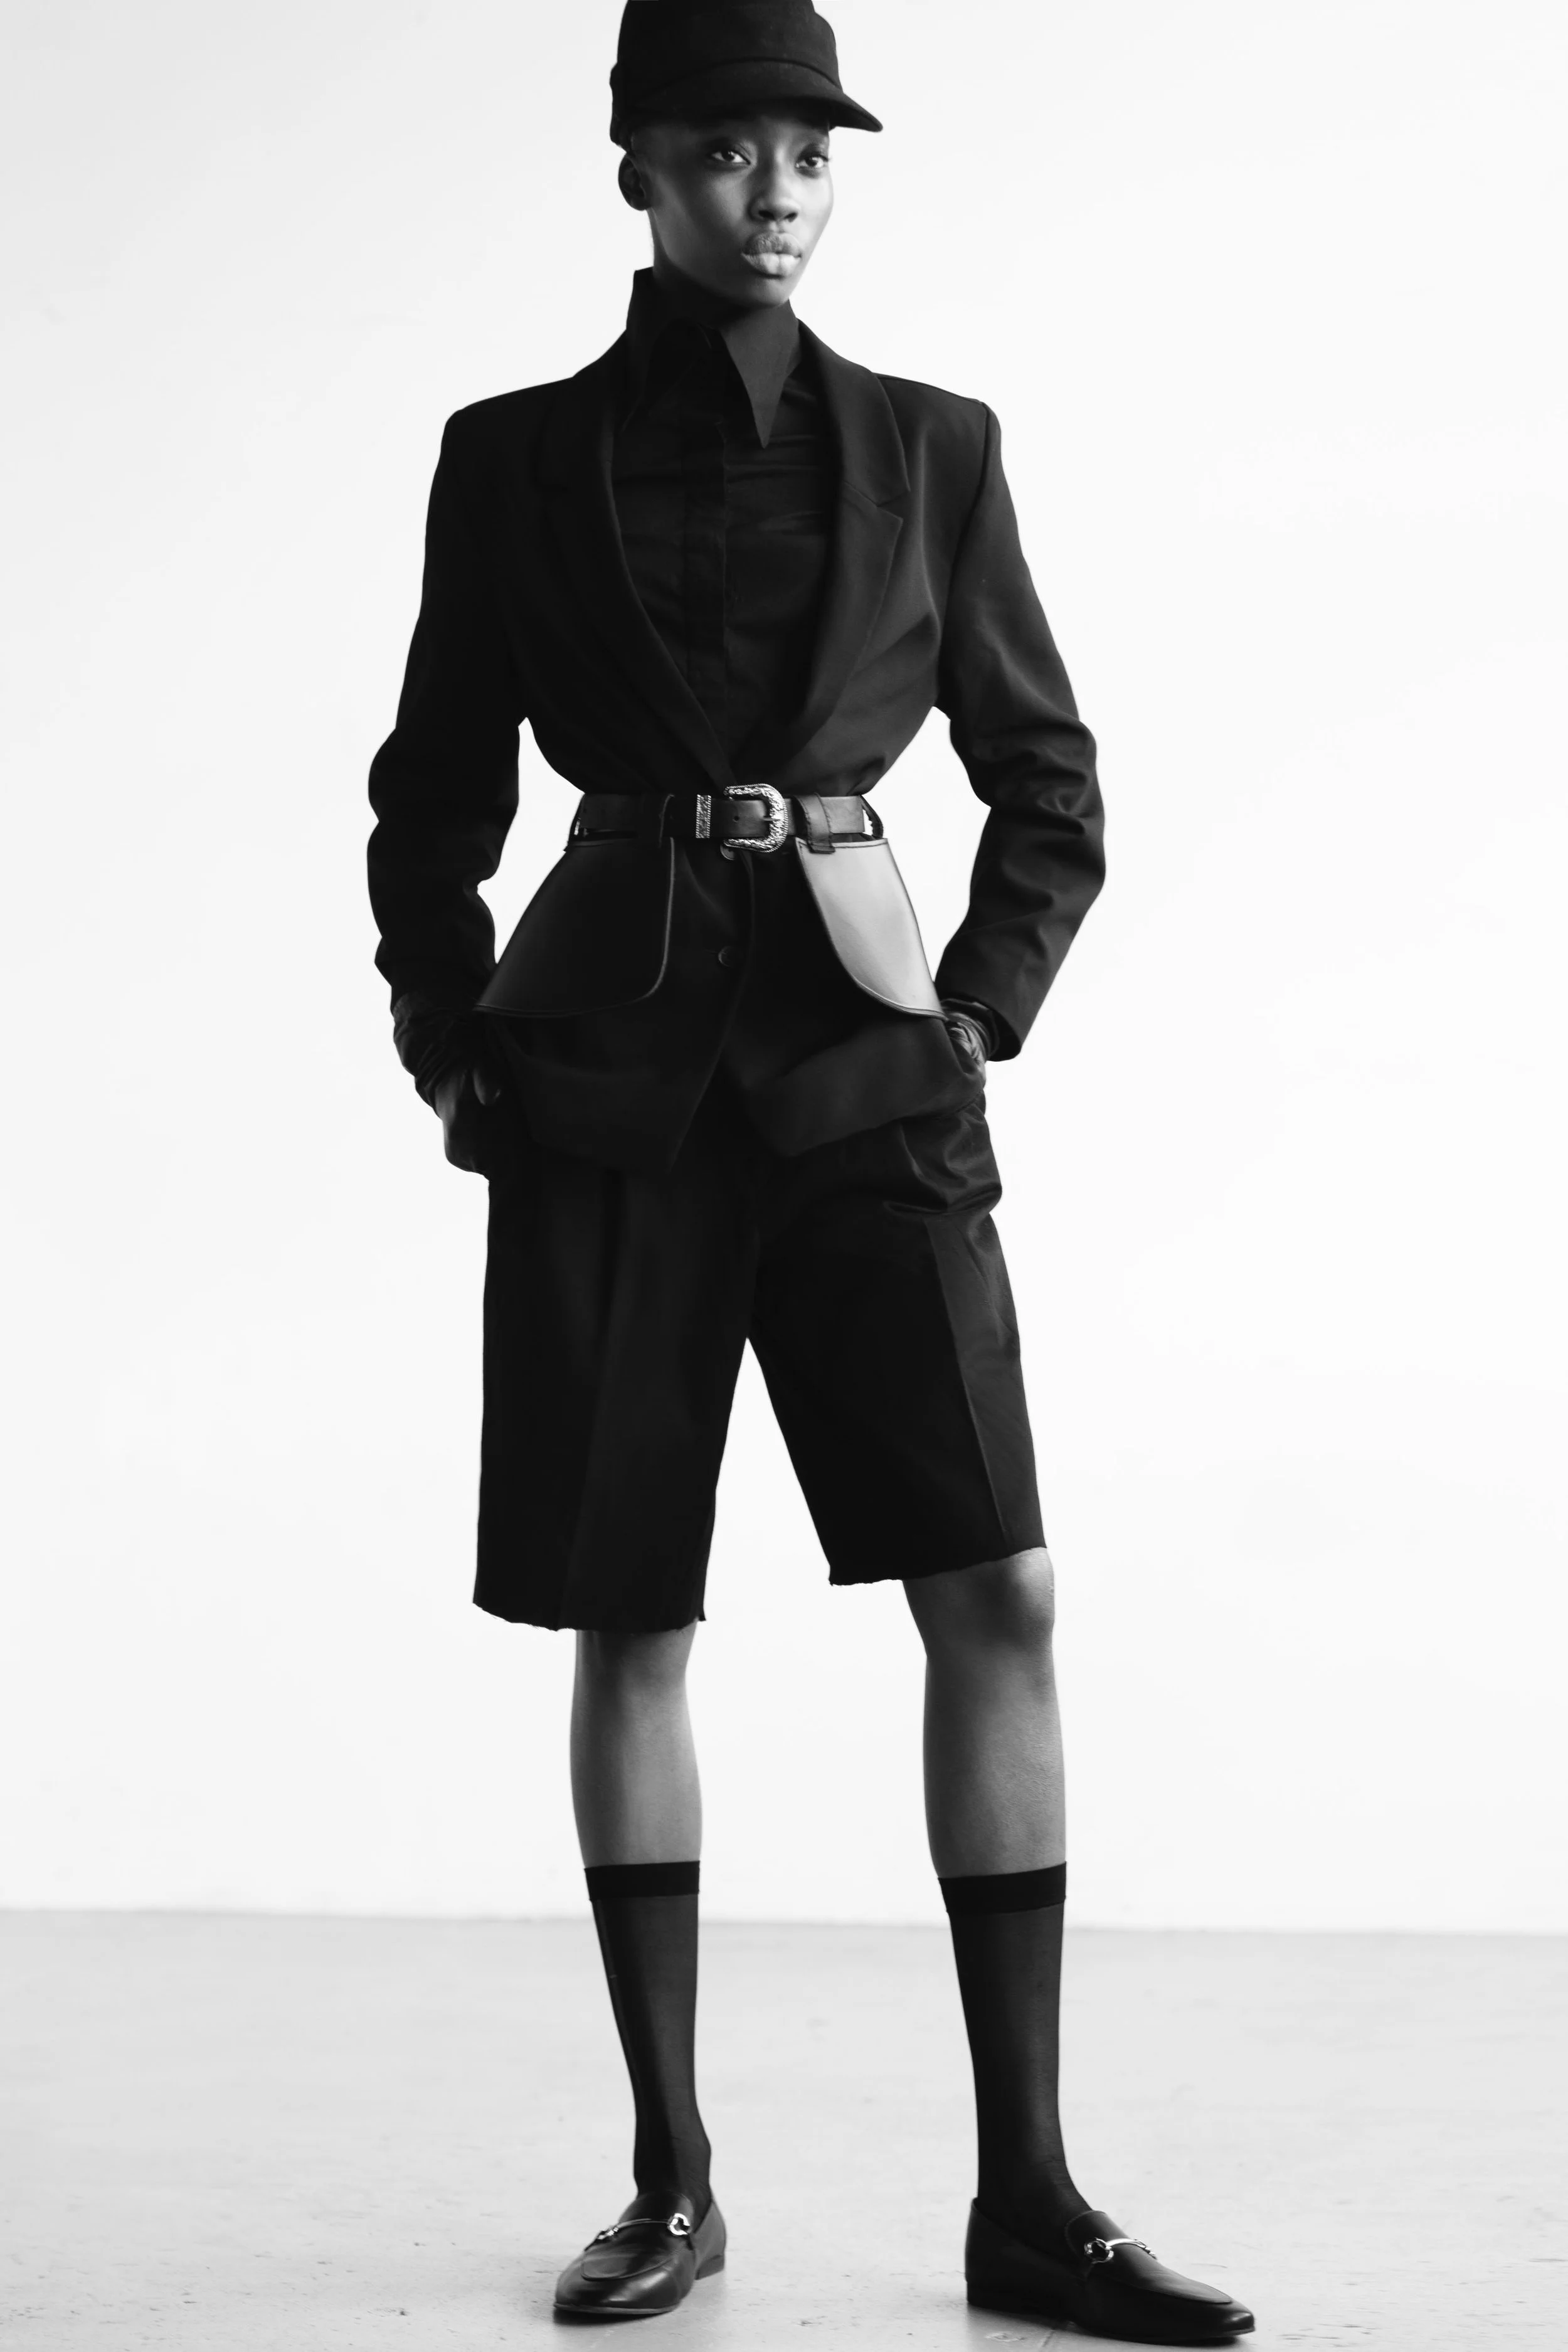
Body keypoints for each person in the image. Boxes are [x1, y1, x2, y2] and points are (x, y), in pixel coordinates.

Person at [366, 2, 1253, 2339]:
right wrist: (448, 1043)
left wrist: (977, 1010)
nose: (773, 194)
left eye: (807, 155)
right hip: (603, 1090)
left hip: (871, 1081)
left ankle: (1028, 2198)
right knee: (630, 1615)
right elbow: (432, 787)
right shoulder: (509, 458)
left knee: (1001, 1590)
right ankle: (669, 2180)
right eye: (725, 151)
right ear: (638, 168)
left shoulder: (933, 449)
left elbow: (1046, 771)